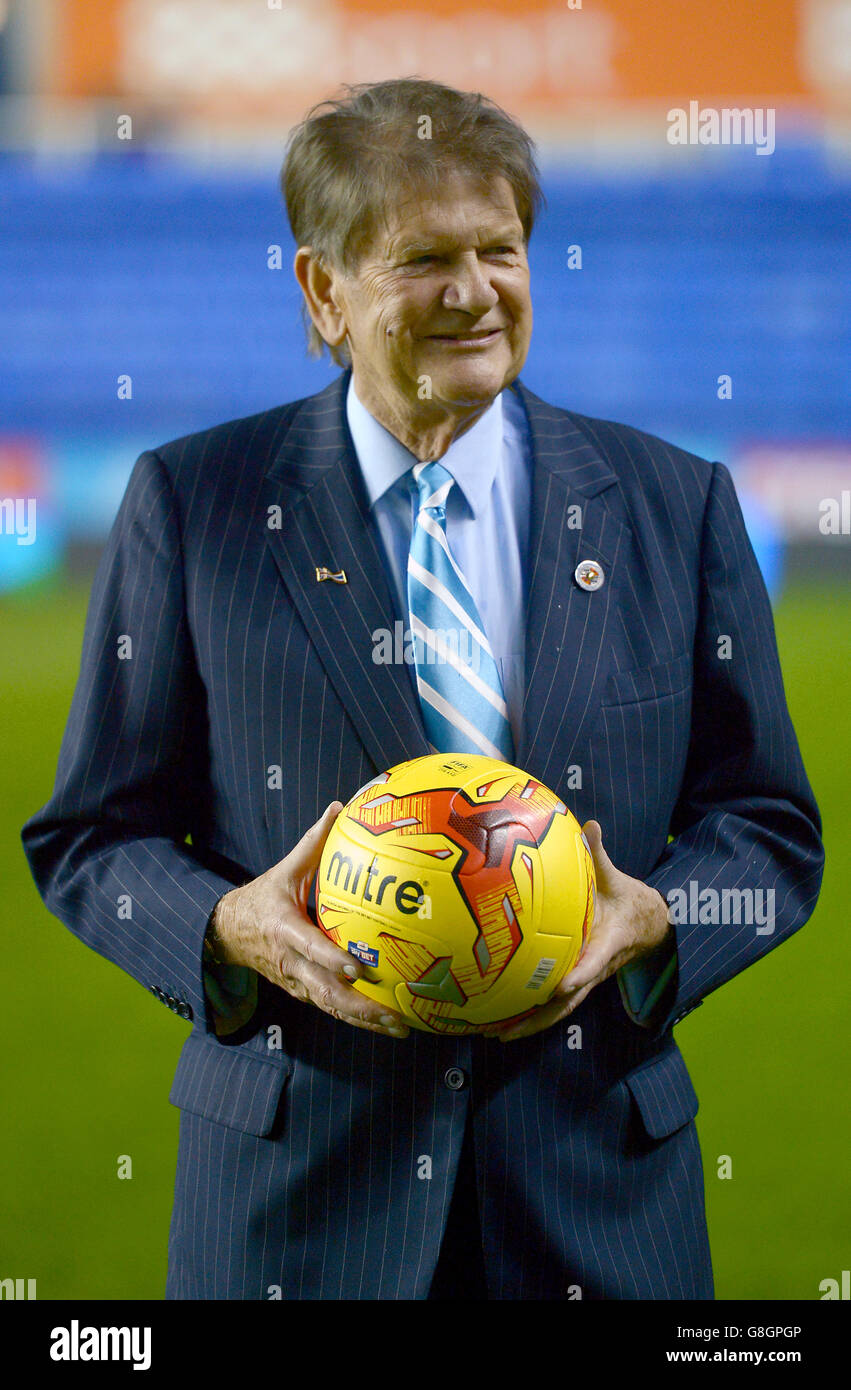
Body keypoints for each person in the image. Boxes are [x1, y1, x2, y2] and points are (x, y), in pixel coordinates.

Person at [22, 77, 823, 1301]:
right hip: (295, 1206)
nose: (472, 292)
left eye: (498, 250)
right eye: (423, 259)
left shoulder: (673, 503)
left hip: (597, 1201)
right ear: (321, 291)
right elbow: (90, 834)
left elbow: (768, 831)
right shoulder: (199, 505)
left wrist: (661, 922)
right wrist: (225, 929)